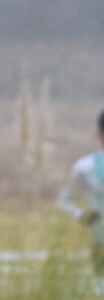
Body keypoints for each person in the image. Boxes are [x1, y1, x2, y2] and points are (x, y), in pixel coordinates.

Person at [55, 108, 104, 277]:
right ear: (99, 134)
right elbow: (64, 202)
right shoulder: (87, 167)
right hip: (101, 247)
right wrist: (81, 215)